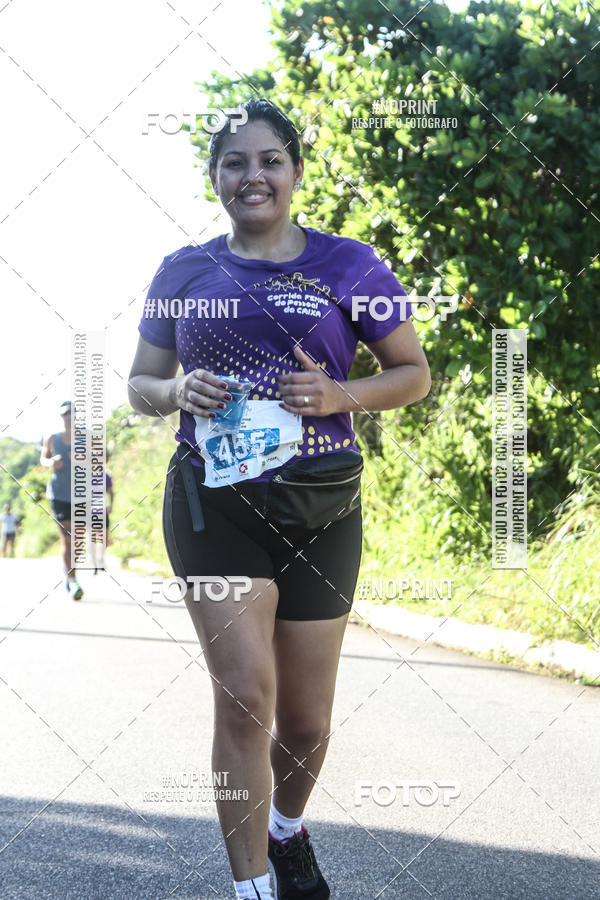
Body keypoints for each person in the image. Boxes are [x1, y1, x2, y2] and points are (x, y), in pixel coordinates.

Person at [128, 99, 431, 900]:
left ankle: (286, 829)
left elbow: (412, 373)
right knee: (244, 700)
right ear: (216, 178)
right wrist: (175, 388)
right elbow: (139, 385)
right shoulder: (182, 269)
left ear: (296, 171)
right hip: (212, 503)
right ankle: (251, 888)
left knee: (303, 726)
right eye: (235, 162)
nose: (252, 175)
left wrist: (340, 396)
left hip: (320, 506)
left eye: (269, 160)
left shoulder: (350, 265)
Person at [40, 400, 84, 600]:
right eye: (65, 414)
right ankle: (74, 581)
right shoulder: (52, 438)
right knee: (67, 539)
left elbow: (104, 458)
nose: (69, 417)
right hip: (58, 495)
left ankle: (68, 571)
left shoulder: (86, 437)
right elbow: (43, 459)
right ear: (61, 416)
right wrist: (51, 463)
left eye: (72, 413)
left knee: (77, 541)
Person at [90, 450, 114, 574]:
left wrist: (111, 505)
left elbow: (111, 492)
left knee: (104, 537)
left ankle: (100, 558)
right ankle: (94, 564)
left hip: (102, 511)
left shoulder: (106, 475)